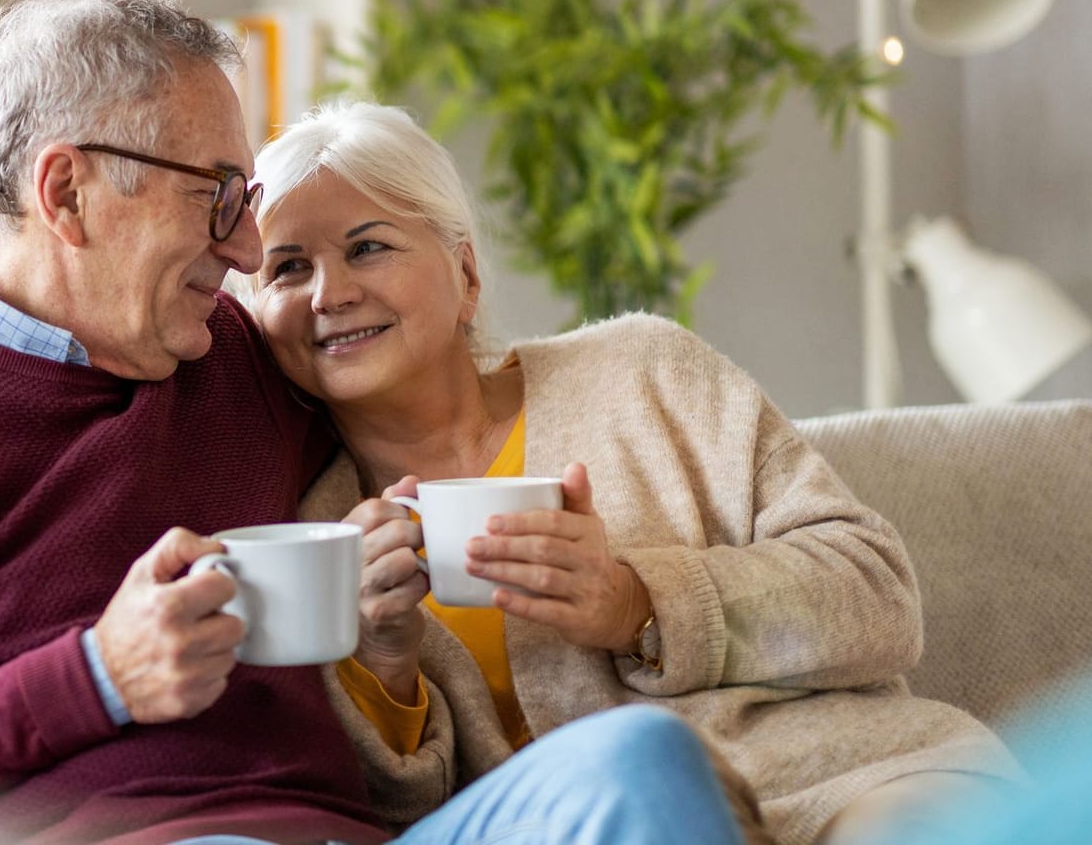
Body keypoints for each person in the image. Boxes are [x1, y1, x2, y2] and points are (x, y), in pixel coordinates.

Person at [0, 0, 752, 845]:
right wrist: (94, 677)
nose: (250, 253)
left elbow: (422, 366)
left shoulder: (244, 362)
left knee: (640, 762)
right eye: (216, 196)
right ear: (68, 192)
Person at [237, 100, 1022, 845]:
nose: (330, 293)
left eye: (367, 246)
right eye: (288, 268)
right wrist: (383, 660)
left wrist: (637, 605)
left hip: (847, 783)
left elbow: (877, 592)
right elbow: (403, 817)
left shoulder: (644, 371)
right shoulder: (317, 531)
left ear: (466, 275)